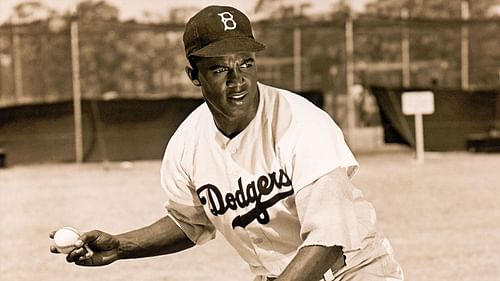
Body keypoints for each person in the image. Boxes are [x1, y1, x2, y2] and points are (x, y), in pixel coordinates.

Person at [50, 5, 404, 281]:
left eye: (246, 63)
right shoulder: (187, 144)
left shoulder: (302, 124)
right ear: (194, 76)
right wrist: (123, 246)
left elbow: (329, 238)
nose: (238, 80)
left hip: (354, 270)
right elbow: (190, 221)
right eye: (220, 68)